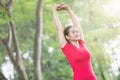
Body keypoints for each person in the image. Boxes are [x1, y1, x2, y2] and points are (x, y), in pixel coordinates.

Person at [53, 3, 97, 80]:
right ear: (67, 36)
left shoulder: (81, 43)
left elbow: (77, 25)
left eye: (77, 32)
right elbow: (59, 28)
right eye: (73, 32)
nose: (76, 33)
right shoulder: (66, 47)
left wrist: (69, 9)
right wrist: (54, 11)